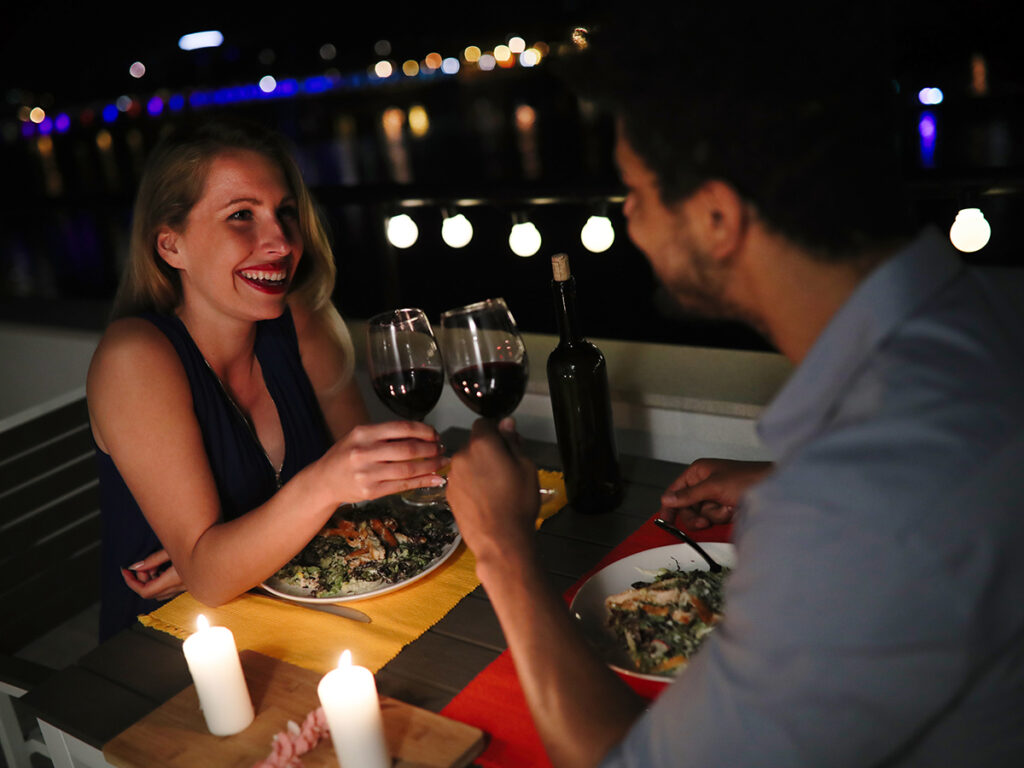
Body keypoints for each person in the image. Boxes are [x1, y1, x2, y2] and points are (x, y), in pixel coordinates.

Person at [445, 10, 1024, 768]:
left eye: (637, 191)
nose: (630, 218)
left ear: (718, 217)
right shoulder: (986, 315)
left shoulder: (859, 506)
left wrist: (502, 548)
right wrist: (785, 483)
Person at [87, 117, 446, 640]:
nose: (280, 242)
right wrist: (214, 557)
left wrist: (234, 551)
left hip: (299, 621)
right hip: (165, 654)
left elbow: (370, 496)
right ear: (171, 246)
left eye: (284, 214)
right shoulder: (135, 358)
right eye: (240, 216)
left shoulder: (303, 322)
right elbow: (210, 578)